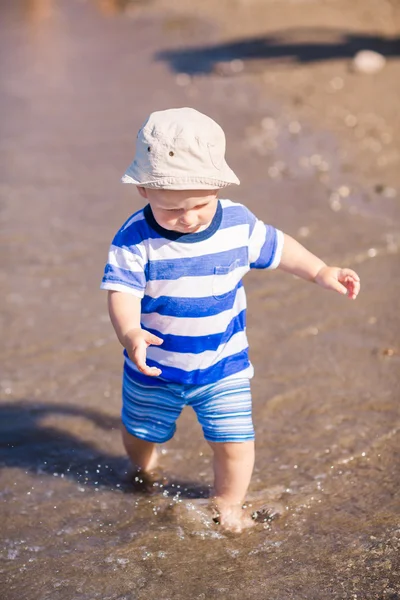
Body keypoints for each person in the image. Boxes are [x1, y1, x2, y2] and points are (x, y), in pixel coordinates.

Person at [101, 107, 360, 532]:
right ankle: (146, 469)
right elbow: (121, 292)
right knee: (140, 433)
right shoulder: (134, 237)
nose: (187, 218)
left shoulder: (237, 224)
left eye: (200, 205)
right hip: (154, 369)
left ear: (218, 186)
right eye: (171, 210)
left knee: (235, 442)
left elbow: (281, 248)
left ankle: (228, 502)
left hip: (224, 366)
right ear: (144, 191)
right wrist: (131, 333)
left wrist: (320, 271)